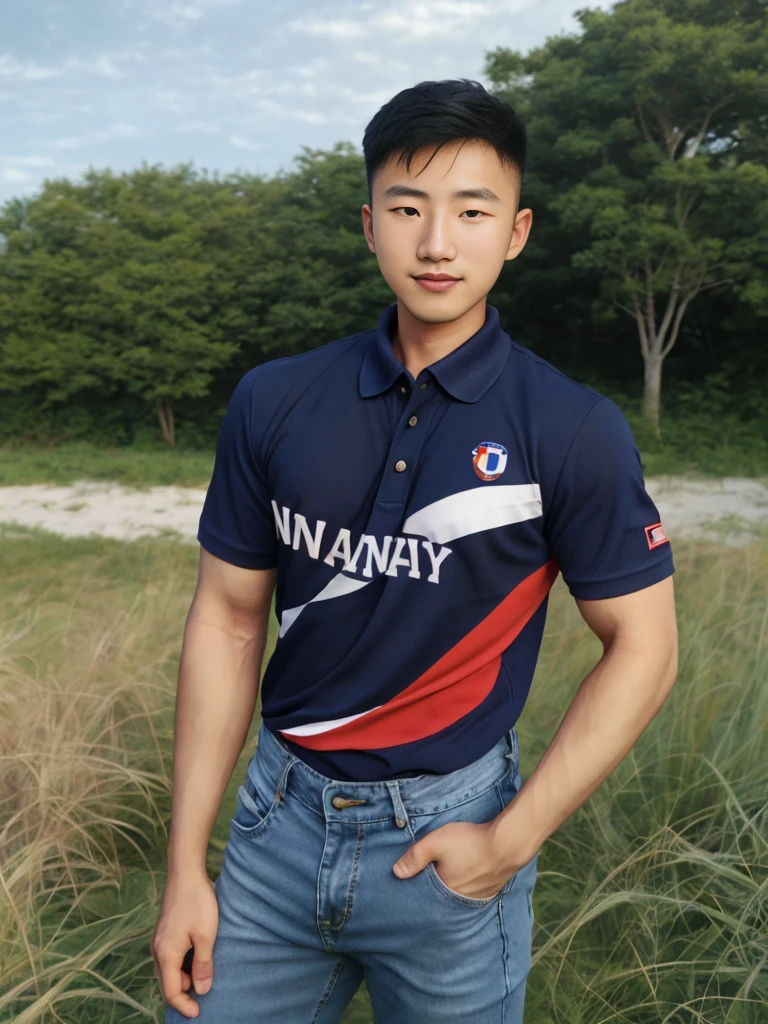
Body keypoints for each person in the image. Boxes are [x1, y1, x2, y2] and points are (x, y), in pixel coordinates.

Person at [151, 78, 678, 1023]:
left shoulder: (570, 429)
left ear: (515, 231)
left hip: (450, 844)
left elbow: (645, 646)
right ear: (369, 223)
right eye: (408, 208)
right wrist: (188, 868)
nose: (437, 242)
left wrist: (510, 842)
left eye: (472, 211)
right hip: (274, 829)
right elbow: (229, 620)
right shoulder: (275, 401)